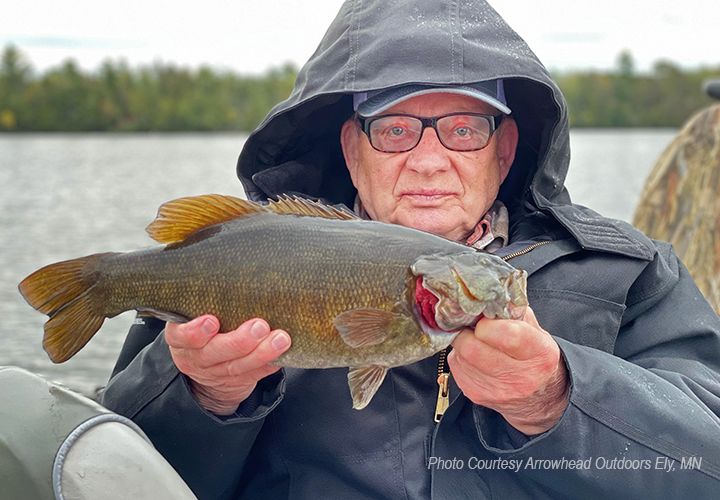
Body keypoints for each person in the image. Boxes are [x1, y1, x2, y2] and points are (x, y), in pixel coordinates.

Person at [100, 0, 720, 498]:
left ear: (504, 150)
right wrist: (201, 395)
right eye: (394, 129)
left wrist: (559, 396)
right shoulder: (245, 258)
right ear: (351, 149)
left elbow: (706, 463)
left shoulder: (632, 272)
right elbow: (110, 468)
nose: (429, 160)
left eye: (463, 128)